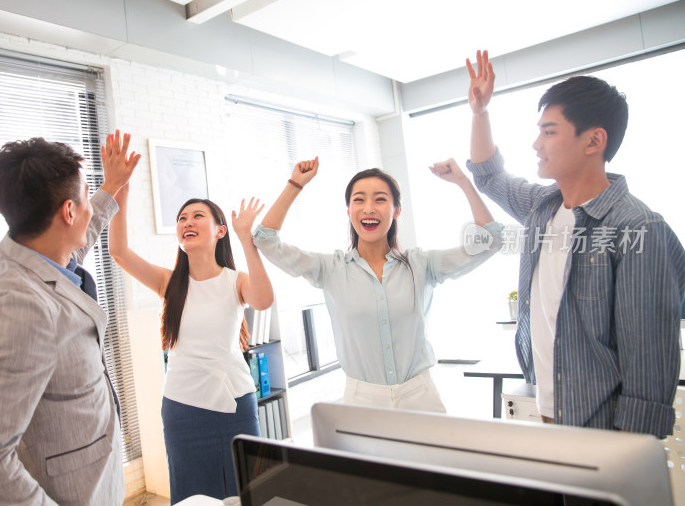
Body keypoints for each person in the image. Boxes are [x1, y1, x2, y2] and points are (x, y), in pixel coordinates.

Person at [465, 49, 685, 437]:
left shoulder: (638, 226)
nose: (536, 144)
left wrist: (628, 450)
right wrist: (480, 113)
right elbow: (488, 177)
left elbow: (648, 360)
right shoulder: (543, 207)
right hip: (551, 408)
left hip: (606, 426)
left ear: (594, 140)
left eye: (549, 131)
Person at [0, 131, 140, 504]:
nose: (89, 206)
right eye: (86, 198)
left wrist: (112, 186)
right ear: (68, 212)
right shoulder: (20, 305)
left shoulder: (22, 251)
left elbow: (75, 243)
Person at [252, 158, 502, 411]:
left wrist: (463, 181)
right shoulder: (330, 269)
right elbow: (265, 240)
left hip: (420, 395)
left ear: (396, 211)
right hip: (362, 399)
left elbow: (491, 240)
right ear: (348, 210)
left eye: (380, 199)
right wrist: (295, 184)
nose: (369, 208)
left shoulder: (422, 264)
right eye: (359, 200)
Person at [108, 187, 273, 503]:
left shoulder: (235, 280)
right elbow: (119, 251)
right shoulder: (169, 282)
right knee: (192, 497)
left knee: (246, 493)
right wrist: (123, 190)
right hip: (184, 409)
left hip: (235, 405)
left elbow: (264, 300)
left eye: (198, 216)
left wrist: (246, 239)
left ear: (219, 231)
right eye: (182, 218)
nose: (188, 222)